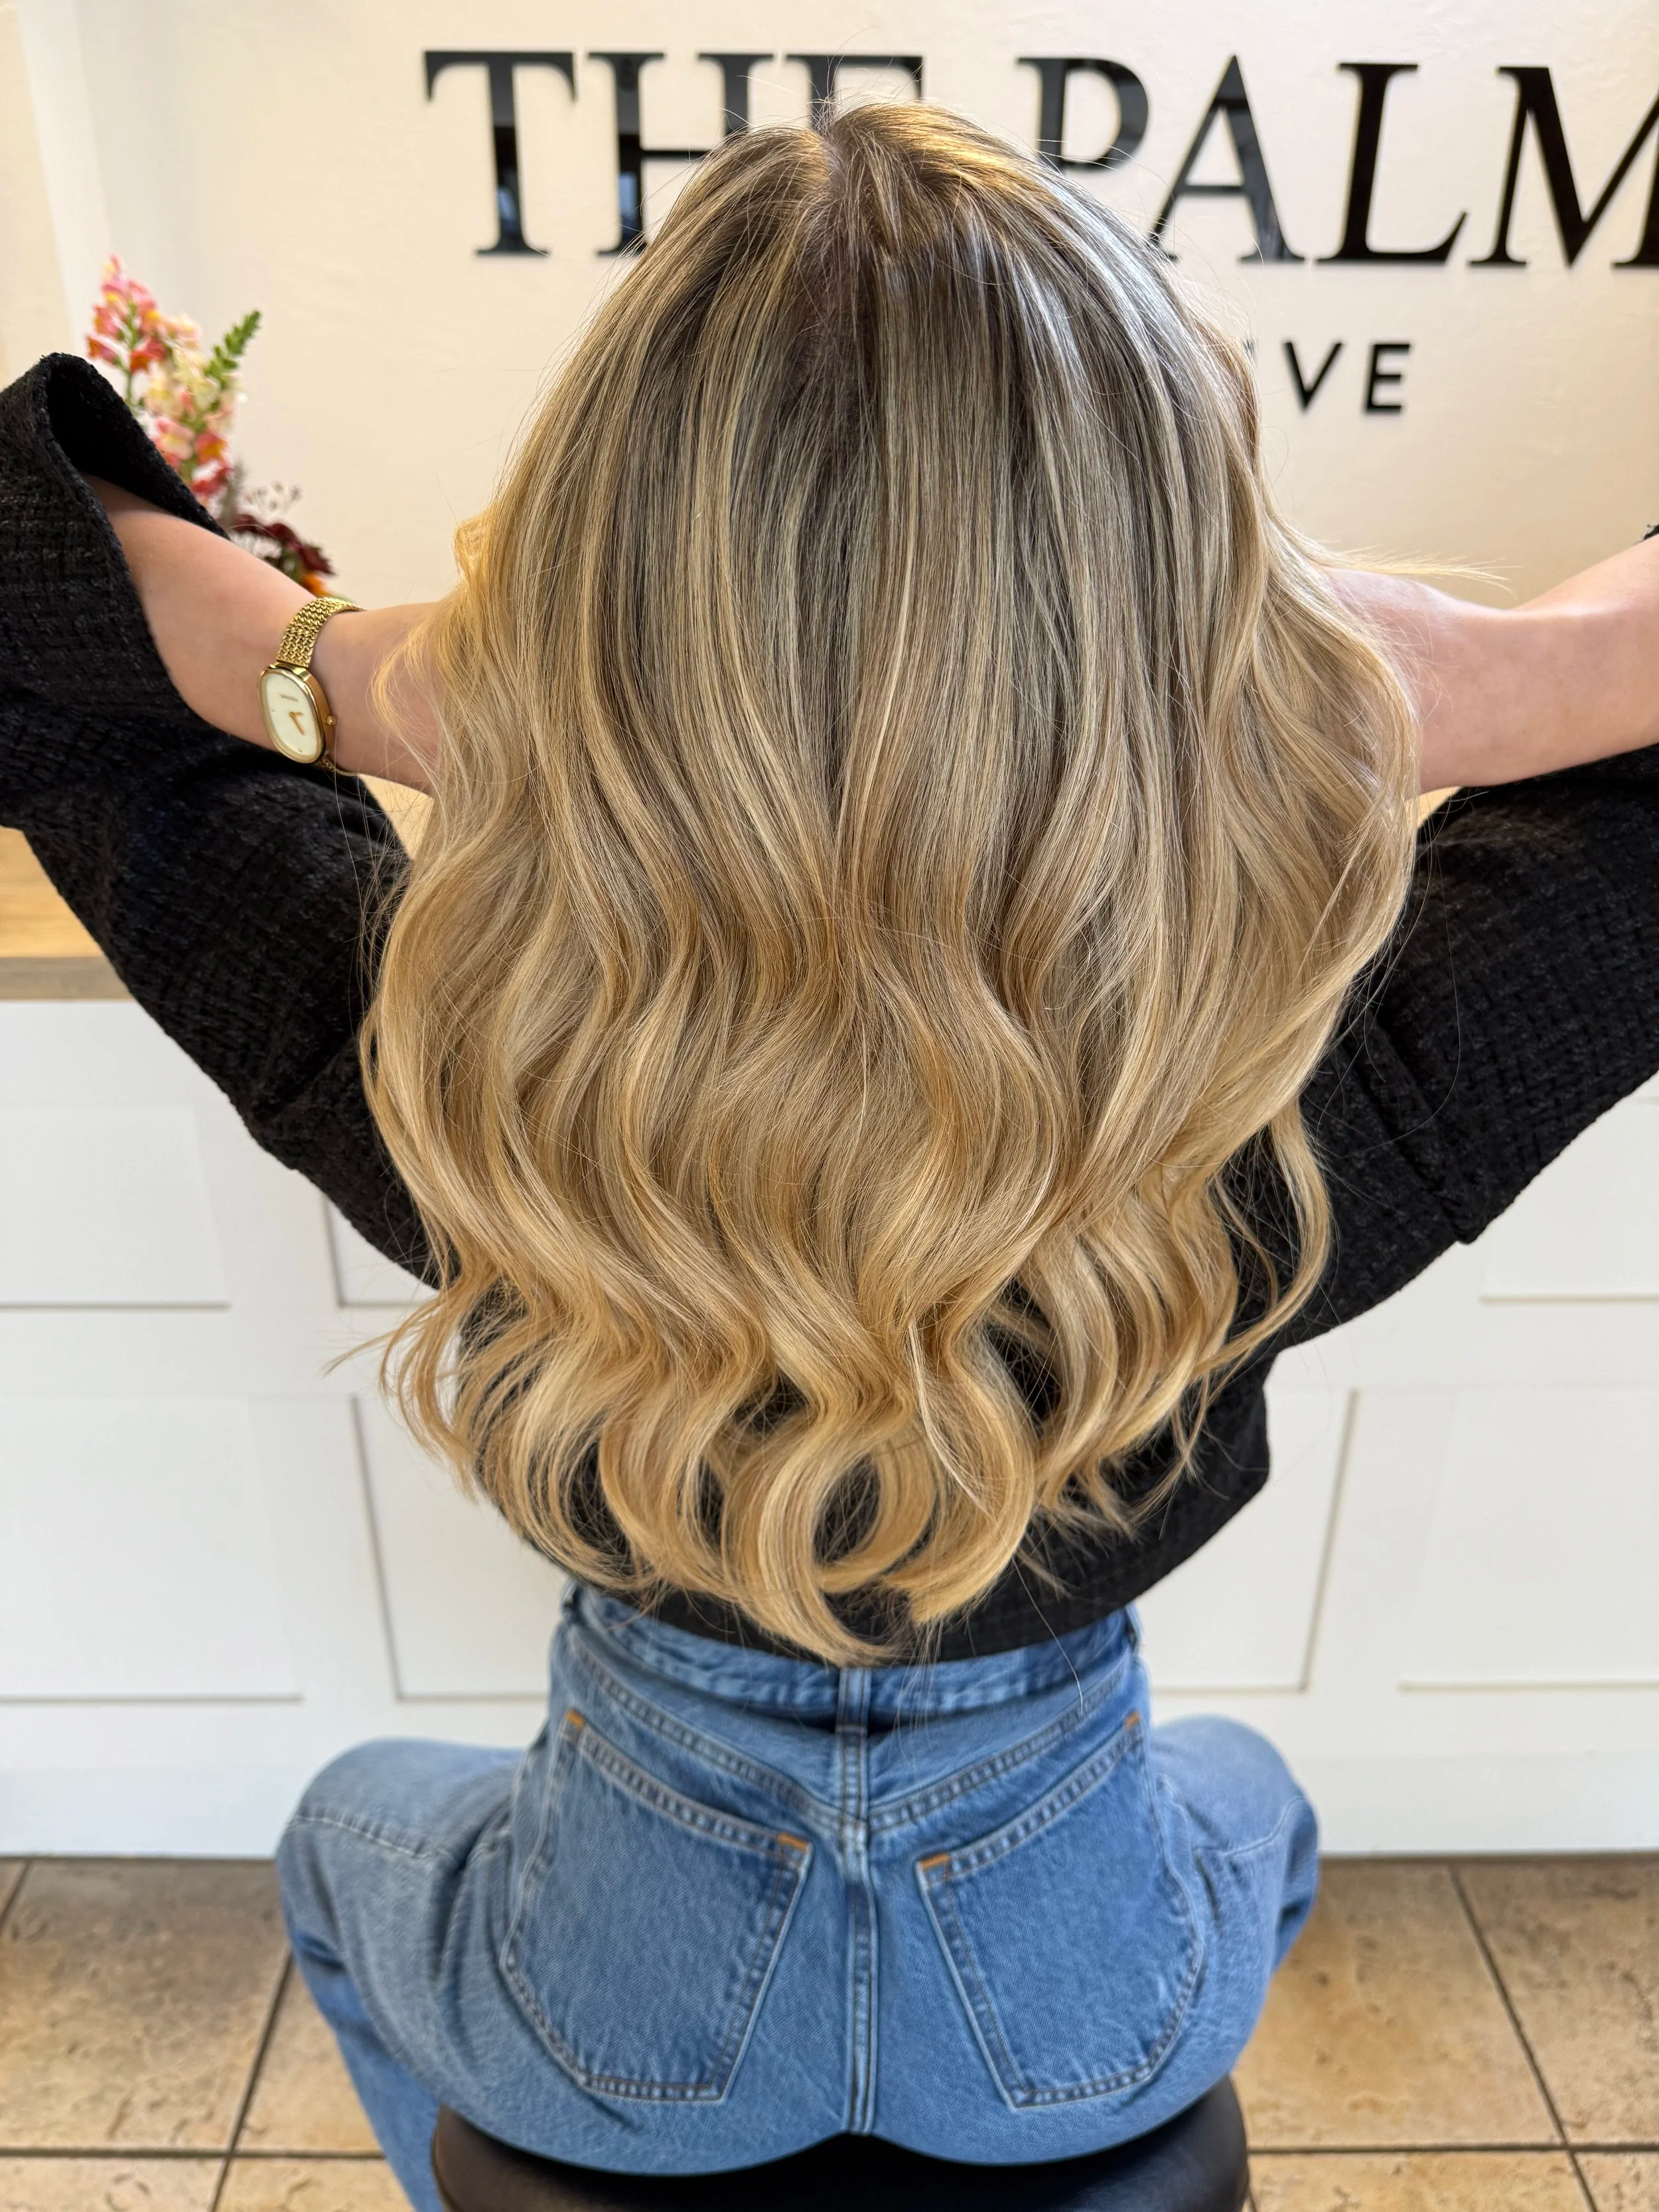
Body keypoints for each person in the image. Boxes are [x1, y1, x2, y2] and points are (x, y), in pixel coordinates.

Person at [2, 102, 1657, 2211]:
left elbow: (31, 630)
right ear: (1184, 617)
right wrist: (1476, 683)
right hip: (1084, 2029)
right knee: (1259, 1810)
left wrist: (384, 684)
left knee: (346, 1827)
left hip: (613, 2028)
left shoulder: (477, 1079)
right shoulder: (1281, 1111)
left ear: (592, 609)